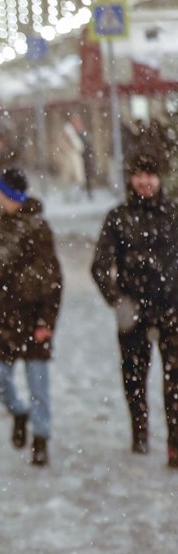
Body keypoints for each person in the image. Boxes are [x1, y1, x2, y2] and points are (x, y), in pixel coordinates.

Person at [0, 168, 63, 466]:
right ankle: (18, 413)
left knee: (39, 387)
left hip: (34, 318)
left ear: (9, 194)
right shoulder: (0, 225)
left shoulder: (39, 228)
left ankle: (41, 439)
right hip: (4, 317)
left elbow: (53, 279)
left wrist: (46, 322)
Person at [91, 154, 178, 469]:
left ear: (160, 178)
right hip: (134, 315)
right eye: (139, 174)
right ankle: (139, 431)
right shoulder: (118, 217)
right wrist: (117, 300)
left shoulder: (173, 213)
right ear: (131, 178)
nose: (145, 181)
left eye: (151, 174)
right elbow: (99, 266)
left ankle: (174, 445)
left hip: (172, 311)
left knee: (175, 383)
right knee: (134, 378)